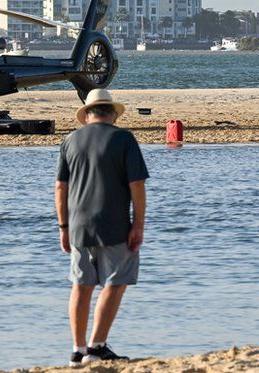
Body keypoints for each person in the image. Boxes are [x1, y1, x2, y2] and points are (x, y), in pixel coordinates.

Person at [55, 89, 148, 367]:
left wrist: (63, 226)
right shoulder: (123, 139)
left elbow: (60, 187)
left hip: (79, 224)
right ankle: (97, 346)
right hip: (115, 222)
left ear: (88, 115)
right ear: (112, 114)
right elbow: (137, 186)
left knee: (81, 285)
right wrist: (138, 225)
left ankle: (77, 350)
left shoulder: (70, 140)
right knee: (116, 281)